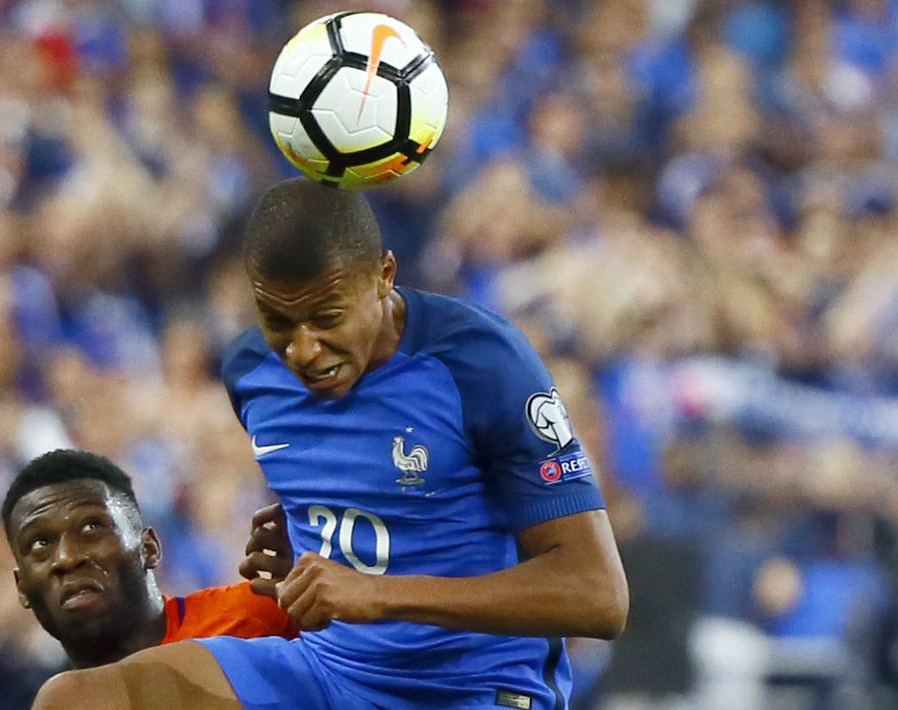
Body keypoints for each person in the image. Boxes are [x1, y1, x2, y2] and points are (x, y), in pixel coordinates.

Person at [32, 178, 629, 709]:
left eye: (327, 317)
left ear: (384, 277)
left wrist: (378, 592)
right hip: (328, 673)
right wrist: (303, 550)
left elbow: (596, 596)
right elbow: (371, 511)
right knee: (80, 699)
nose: (303, 350)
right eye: (279, 321)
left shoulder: (480, 363)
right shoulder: (250, 375)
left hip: (472, 688)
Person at [1, 448, 295, 670]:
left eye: (91, 528)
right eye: (40, 543)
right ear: (22, 587)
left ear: (149, 548)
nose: (66, 558)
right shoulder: (58, 701)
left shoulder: (263, 616)